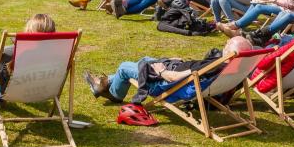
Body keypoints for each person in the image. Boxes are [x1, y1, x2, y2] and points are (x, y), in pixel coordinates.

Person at [84, 35, 252, 104]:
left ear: (231, 52)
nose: (224, 45)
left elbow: (174, 77)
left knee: (124, 67)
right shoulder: (233, 66)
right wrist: (176, 62)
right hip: (179, 73)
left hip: (165, 83)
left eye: (227, 44)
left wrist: (162, 71)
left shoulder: (213, 66)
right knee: (145, 60)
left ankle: (113, 92)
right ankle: (104, 83)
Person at [0, 13, 56, 98]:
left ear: (28, 32)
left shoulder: (12, 52)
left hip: (19, 91)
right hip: (43, 90)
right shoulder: (57, 52)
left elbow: (3, 70)